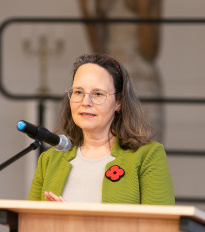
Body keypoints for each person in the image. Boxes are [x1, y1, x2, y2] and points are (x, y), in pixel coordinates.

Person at [28, 53, 174, 205]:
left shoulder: (148, 156)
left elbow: (160, 220)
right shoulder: (50, 159)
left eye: (98, 94)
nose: (85, 102)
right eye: (78, 92)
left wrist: (73, 217)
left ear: (119, 102)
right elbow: (28, 219)